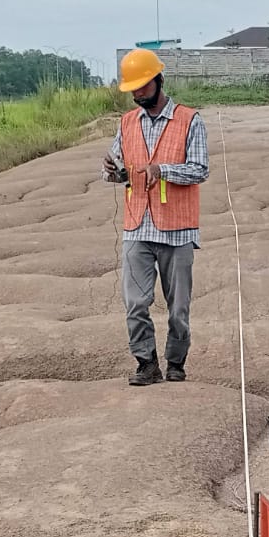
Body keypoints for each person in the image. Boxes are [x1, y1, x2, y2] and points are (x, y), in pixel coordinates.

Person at [103, 48, 209, 385]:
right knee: (135, 303)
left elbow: (199, 169)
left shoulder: (190, 120)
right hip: (137, 226)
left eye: (142, 87)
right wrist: (113, 172)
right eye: (132, 89)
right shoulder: (126, 123)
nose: (137, 94)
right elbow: (119, 169)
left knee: (178, 308)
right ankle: (146, 364)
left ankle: (176, 361)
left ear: (158, 80)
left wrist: (162, 170)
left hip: (177, 230)